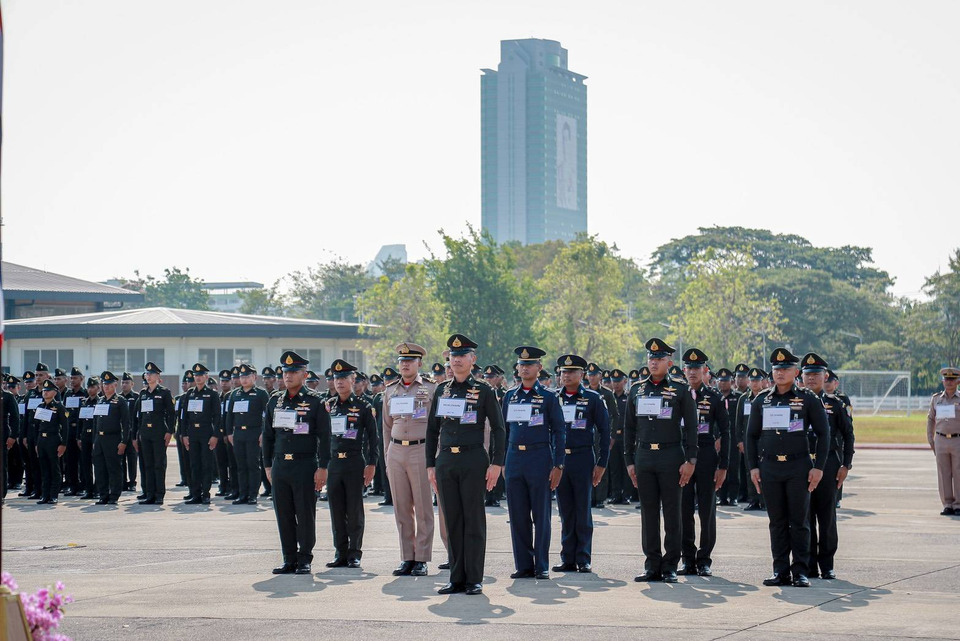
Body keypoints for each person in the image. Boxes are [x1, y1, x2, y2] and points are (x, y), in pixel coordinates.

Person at [426, 334, 505, 596]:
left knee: (473, 520)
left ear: (472, 359)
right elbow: (432, 430)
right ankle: (456, 578)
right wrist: (430, 465)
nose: (457, 360)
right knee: (452, 520)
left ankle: (473, 578)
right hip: (446, 460)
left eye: (462, 356)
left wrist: (497, 463)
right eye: (453, 356)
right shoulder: (442, 390)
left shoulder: (484, 390)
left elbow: (499, 428)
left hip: (473, 460)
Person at [745, 348, 830, 588]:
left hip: (798, 467)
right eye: (776, 369)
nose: (780, 373)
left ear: (796, 372)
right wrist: (753, 467)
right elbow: (750, 435)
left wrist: (818, 467)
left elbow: (824, 433)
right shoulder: (763, 399)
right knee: (777, 521)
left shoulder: (807, 398)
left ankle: (800, 570)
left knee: (799, 521)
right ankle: (780, 570)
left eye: (785, 369)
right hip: (770, 467)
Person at [624, 338, 698, 583]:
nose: (654, 362)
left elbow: (691, 428)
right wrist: (629, 461)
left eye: (659, 359)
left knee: (672, 512)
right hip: (644, 456)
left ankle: (670, 565)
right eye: (651, 358)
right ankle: (652, 564)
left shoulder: (680, 389)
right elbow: (629, 428)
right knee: (648, 513)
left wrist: (690, 460)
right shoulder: (637, 389)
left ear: (669, 362)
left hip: (671, 455)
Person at [263, 351, 331, 575]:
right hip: (281, 465)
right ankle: (289, 558)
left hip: (305, 465)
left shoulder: (315, 401)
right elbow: (268, 437)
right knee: (283, 513)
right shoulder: (275, 401)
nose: (288, 376)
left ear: (304, 374)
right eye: (285, 372)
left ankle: (304, 558)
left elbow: (325, 437)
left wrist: (323, 467)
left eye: (293, 372)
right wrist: (268, 466)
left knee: (304, 513)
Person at [502, 346, 566, 579]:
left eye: (529, 364)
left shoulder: (549, 397)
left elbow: (559, 431)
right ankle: (523, 565)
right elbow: (503, 431)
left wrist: (558, 464)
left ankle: (541, 564)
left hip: (539, 458)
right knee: (518, 515)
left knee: (541, 515)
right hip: (514, 458)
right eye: (522, 364)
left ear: (539, 368)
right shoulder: (510, 395)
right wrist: (501, 462)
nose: (525, 368)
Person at [382, 343, 437, 577]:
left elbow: (436, 426)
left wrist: (434, 458)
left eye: (410, 360)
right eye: (402, 361)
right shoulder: (390, 390)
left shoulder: (431, 388)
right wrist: (387, 457)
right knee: (401, 507)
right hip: (396, 451)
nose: (405, 364)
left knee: (423, 507)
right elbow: (386, 427)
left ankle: (421, 558)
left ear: (419, 363)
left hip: (420, 449)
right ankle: (407, 556)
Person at [552, 354, 609, 574]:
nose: (566, 376)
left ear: (581, 374)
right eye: (563, 372)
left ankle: (583, 557)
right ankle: (567, 557)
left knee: (582, 509)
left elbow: (605, 431)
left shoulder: (593, 399)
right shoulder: (553, 398)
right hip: (560, 460)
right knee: (565, 510)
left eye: (571, 372)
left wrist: (602, 463)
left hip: (583, 457)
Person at [800, 353, 854, 579]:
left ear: (825, 376)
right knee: (804, 516)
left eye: (816, 374)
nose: (811, 378)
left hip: (829, 464)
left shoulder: (835, 404)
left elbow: (848, 435)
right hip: (802, 463)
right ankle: (809, 564)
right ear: (801, 377)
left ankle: (827, 564)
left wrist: (846, 465)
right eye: (808, 374)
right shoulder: (795, 403)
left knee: (827, 516)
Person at [679, 349, 729, 577]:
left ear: (705, 370)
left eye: (696, 368)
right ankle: (687, 559)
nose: (692, 372)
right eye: (689, 368)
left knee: (707, 510)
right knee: (684, 508)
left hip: (706, 455)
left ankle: (704, 559)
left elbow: (726, 432)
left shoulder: (714, 397)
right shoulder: (677, 394)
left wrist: (723, 466)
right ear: (683, 370)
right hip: (682, 455)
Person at [323, 359, 378, 568]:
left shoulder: (363, 406)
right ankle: (340, 552)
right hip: (334, 464)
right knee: (336, 510)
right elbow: (322, 437)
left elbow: (373, 438)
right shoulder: (328, 406)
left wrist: (372, 464)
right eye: (336, 378)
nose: (339, 382)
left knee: (354, 510)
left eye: (344, 378)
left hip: (355, 462)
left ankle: (354, 552)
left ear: (353, 380)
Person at [225, 363, 271, 505]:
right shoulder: (235, 394)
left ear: (254, 377)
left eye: (247, 376)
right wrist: (229, 433)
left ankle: (252, 494)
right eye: (242, 377)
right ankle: (242, 494)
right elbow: (229, 416)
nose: (244, 379)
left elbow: (267, 415)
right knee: (241, 465)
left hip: (254, 432)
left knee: (252, 464)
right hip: (238, 433)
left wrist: (263, 432)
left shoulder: (261, 393)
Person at [134, 362, 177, 505]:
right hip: (145, 433)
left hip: (159, 432)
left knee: (159, 464)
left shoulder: (164, 392)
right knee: (148, 464)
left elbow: (171, 414)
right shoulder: (143, 394)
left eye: (151, 374)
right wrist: (138, 433)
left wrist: (169, 431)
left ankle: (159, 494)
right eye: (147, 374)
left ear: (158, 376)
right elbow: (139, 415)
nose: (148, 376)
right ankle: (149, 494)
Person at [179, 364, 222, 505]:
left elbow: (217, 417)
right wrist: (184, 434)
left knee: (206, 464)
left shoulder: (212, 394)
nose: (198, 378)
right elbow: (184, 417)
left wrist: (215, 435)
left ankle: (206, 494)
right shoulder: (189, 394)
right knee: (194, 464)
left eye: (200, 375)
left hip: (206, 432)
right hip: (192, 433)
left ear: (206, 377)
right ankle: (195, 493)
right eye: (196, 375)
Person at [92, 371, 131, 505]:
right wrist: (94, 440)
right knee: (100, 468)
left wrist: (124, 441)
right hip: (99, 439)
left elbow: (126, 423)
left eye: (109, 384)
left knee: (113, 468)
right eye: (104, 384)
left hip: (113, 439)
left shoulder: (120, 401)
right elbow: (95, 422)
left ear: (115, 385)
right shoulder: (100, 401)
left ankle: (114, 495)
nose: (106, 387)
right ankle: (103, 495)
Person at [928, 366, 960, 516]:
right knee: (943, 473)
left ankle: (958, 504)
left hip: (957, 440)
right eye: (946, 379)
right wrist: (930, 438)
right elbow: (930, 419)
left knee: (958, 472)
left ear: (958, 381)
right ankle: (947, 504)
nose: (949, 382)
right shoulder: (936, 399)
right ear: (943, 381)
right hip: (940, 439)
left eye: (952, 379)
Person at [585, 362, 618, 509]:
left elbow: (615, 415)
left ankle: (600, 498)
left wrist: (612, 435)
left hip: (601, 434)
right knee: (588, 466)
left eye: (594, 375)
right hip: (587, 433)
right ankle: (591, 497)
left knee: (601, 465)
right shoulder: (584, 393)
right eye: (590, 375)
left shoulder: (607, 394)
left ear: (600, 376)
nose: (592, 378)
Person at [32, 379, 68, 504]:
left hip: (53, 440)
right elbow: (36, 427)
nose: (45, 392)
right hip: (41, 440)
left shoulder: (59, 407)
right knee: (44, 469)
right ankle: (45, 495)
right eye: (44, 390)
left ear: (54, 392)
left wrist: (63, 444)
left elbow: (65, 428)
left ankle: (53, 495)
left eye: (48, 390)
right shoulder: (40, 407)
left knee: (54, 468)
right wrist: (36, 443)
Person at [738, 368, 767, 511]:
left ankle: (764, 501)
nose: (755, 383)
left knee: (764, 469)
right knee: (750, 469)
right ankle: (753, 499)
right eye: (752, 380)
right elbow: (738, 422)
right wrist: (740, 441)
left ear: (762, 382)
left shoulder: (767, 398)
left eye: (757, 380)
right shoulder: (744, 399)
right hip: (748, 440)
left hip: (763, 439)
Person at [714, 368, 743, 506]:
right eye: (721, 381)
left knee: (733, 467)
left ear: (731, 382)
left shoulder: (738, 397)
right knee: (720, 465)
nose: (723, 383)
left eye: (726, 381)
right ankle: (721, 496)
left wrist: (739, 439)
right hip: (718, 437)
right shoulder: (715, 397)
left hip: (733, 437)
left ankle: (733, 497)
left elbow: (740, 420)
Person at [608, 369, 631, 504]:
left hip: (625, 436)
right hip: (612, 437)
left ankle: (626, 495)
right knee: (614, 468)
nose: (616, 384)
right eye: (614, 381)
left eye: (618, 381)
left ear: (624, 381)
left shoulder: (628, 398)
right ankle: (615, 494)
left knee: (626, 466)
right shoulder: (609, 397)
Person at [62, 367, 86, 496]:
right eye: (71, 378)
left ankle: (83, 486)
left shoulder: (85, 393)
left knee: (82, 460)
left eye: (75, 378)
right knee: (70, 460)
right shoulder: (68, 394)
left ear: (82, 379)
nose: (72, 380)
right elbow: (65, 411)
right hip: (69, 430)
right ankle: (73, 486)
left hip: (80, 430)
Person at [77, 377, 101, 499]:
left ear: (98, 388)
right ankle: (89, 490)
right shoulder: (83, 402)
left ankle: (97, 489)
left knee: (97, 463)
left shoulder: (100, 402)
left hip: (95, 436)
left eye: (93, 387)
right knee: (85, 464)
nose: (90, 389)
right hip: (85, 436)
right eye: (89, 387)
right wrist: (78, 437)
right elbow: (80, 421)